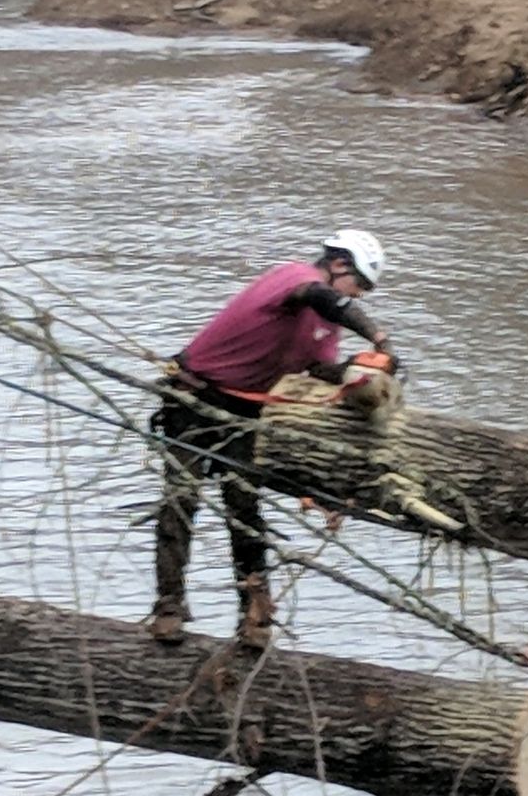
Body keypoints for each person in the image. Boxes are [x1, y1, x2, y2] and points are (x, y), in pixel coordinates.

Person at [146, 228, 399, 649]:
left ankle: (253, 616)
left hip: (246, 410)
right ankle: (169, 607)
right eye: (358, 286)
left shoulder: (326, 326)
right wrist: (378, 336)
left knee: (244, 509)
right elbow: (320, 298)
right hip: (194, 396)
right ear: (339, 265)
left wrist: (366, 370)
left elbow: (319, 370)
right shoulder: (295, 280)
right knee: (181, 500)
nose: (358, 298)